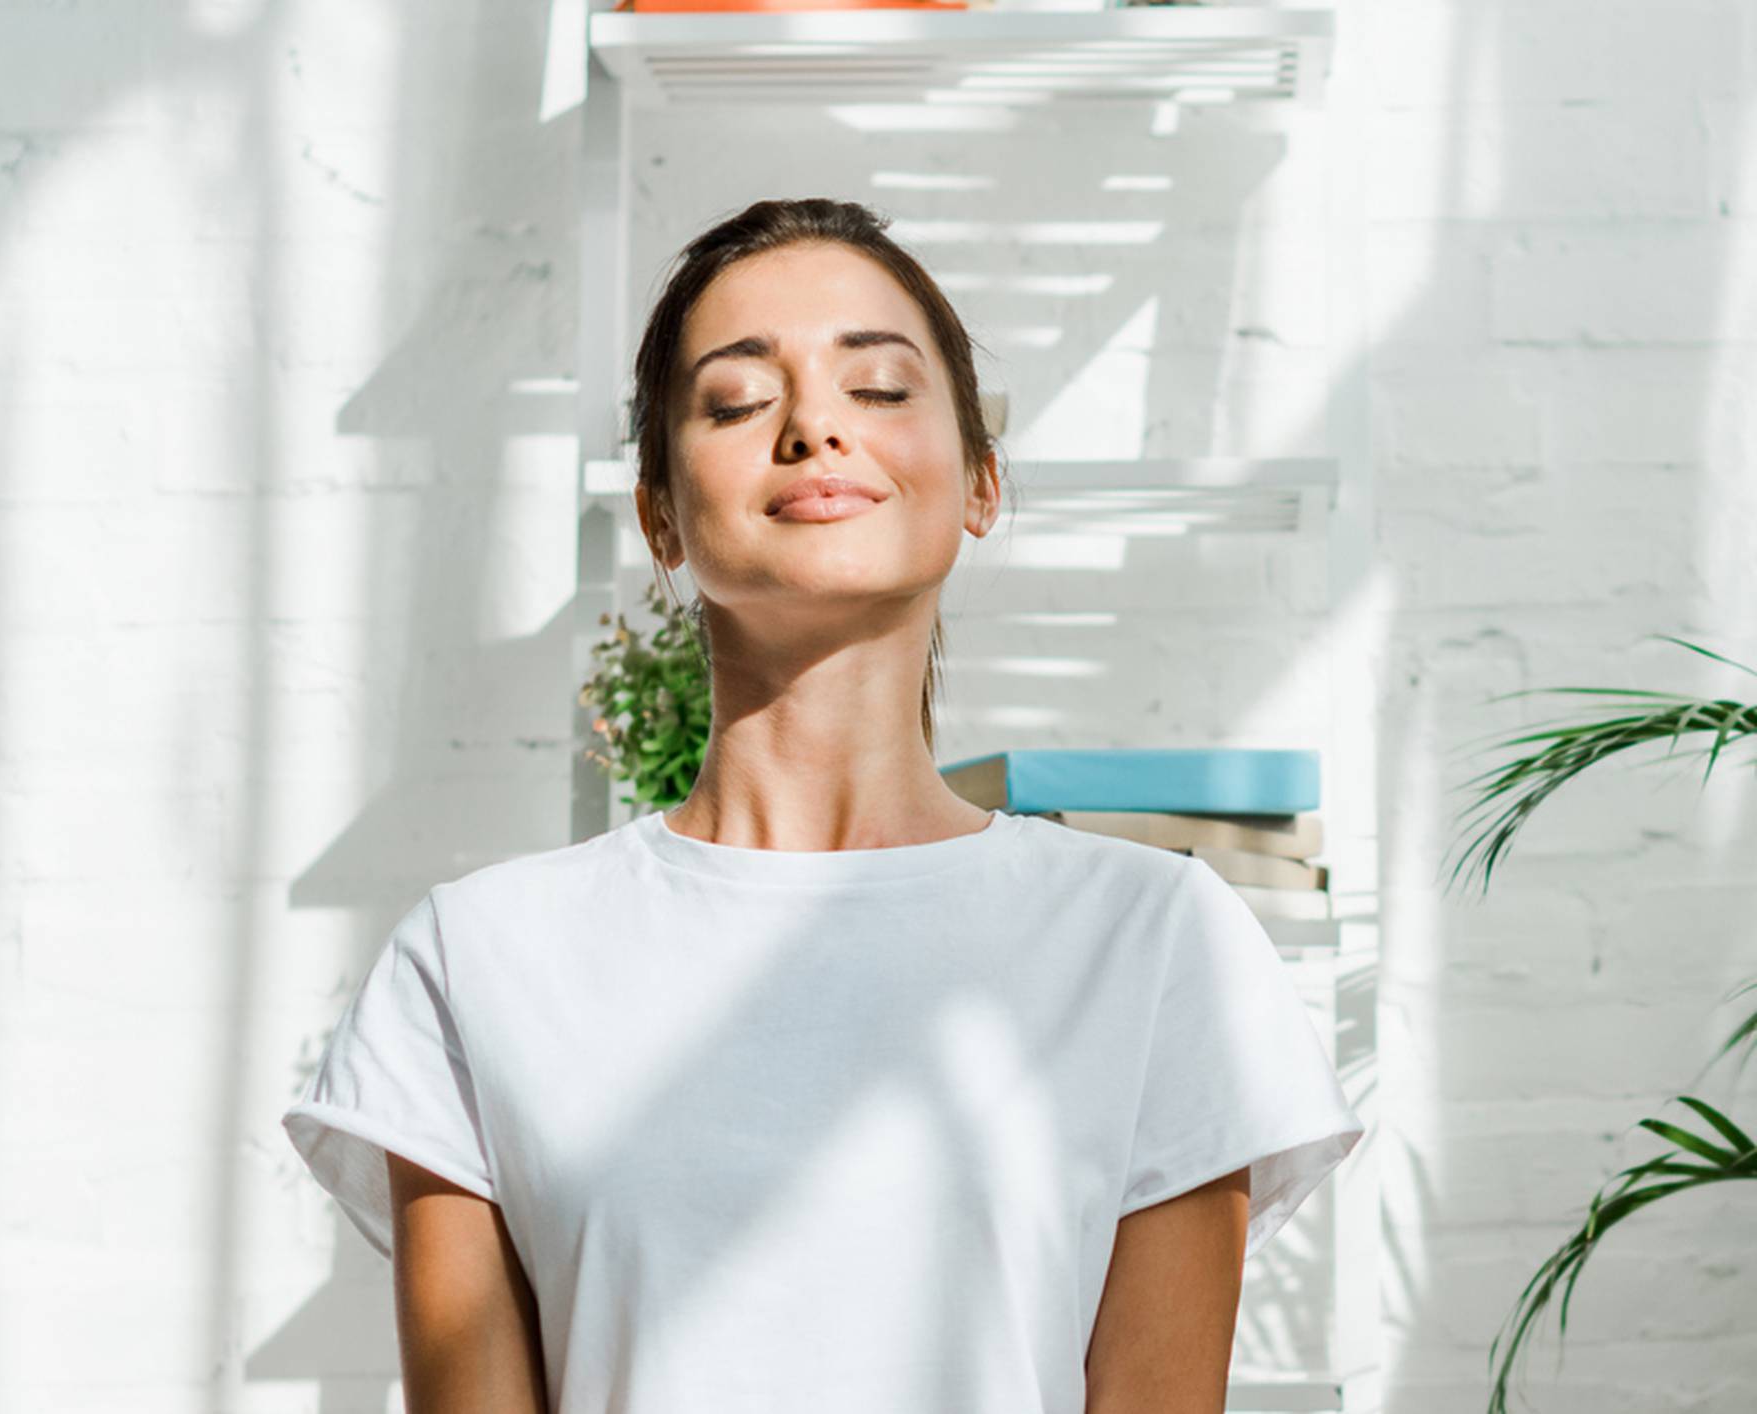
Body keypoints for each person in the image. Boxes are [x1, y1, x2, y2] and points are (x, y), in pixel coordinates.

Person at [282, 197, 1364, 1414]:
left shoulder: (1157, 937)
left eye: (883, 389)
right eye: (739, 401)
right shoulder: (477, 957)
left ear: (978, 482)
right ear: (659, 516)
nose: (814, 428)